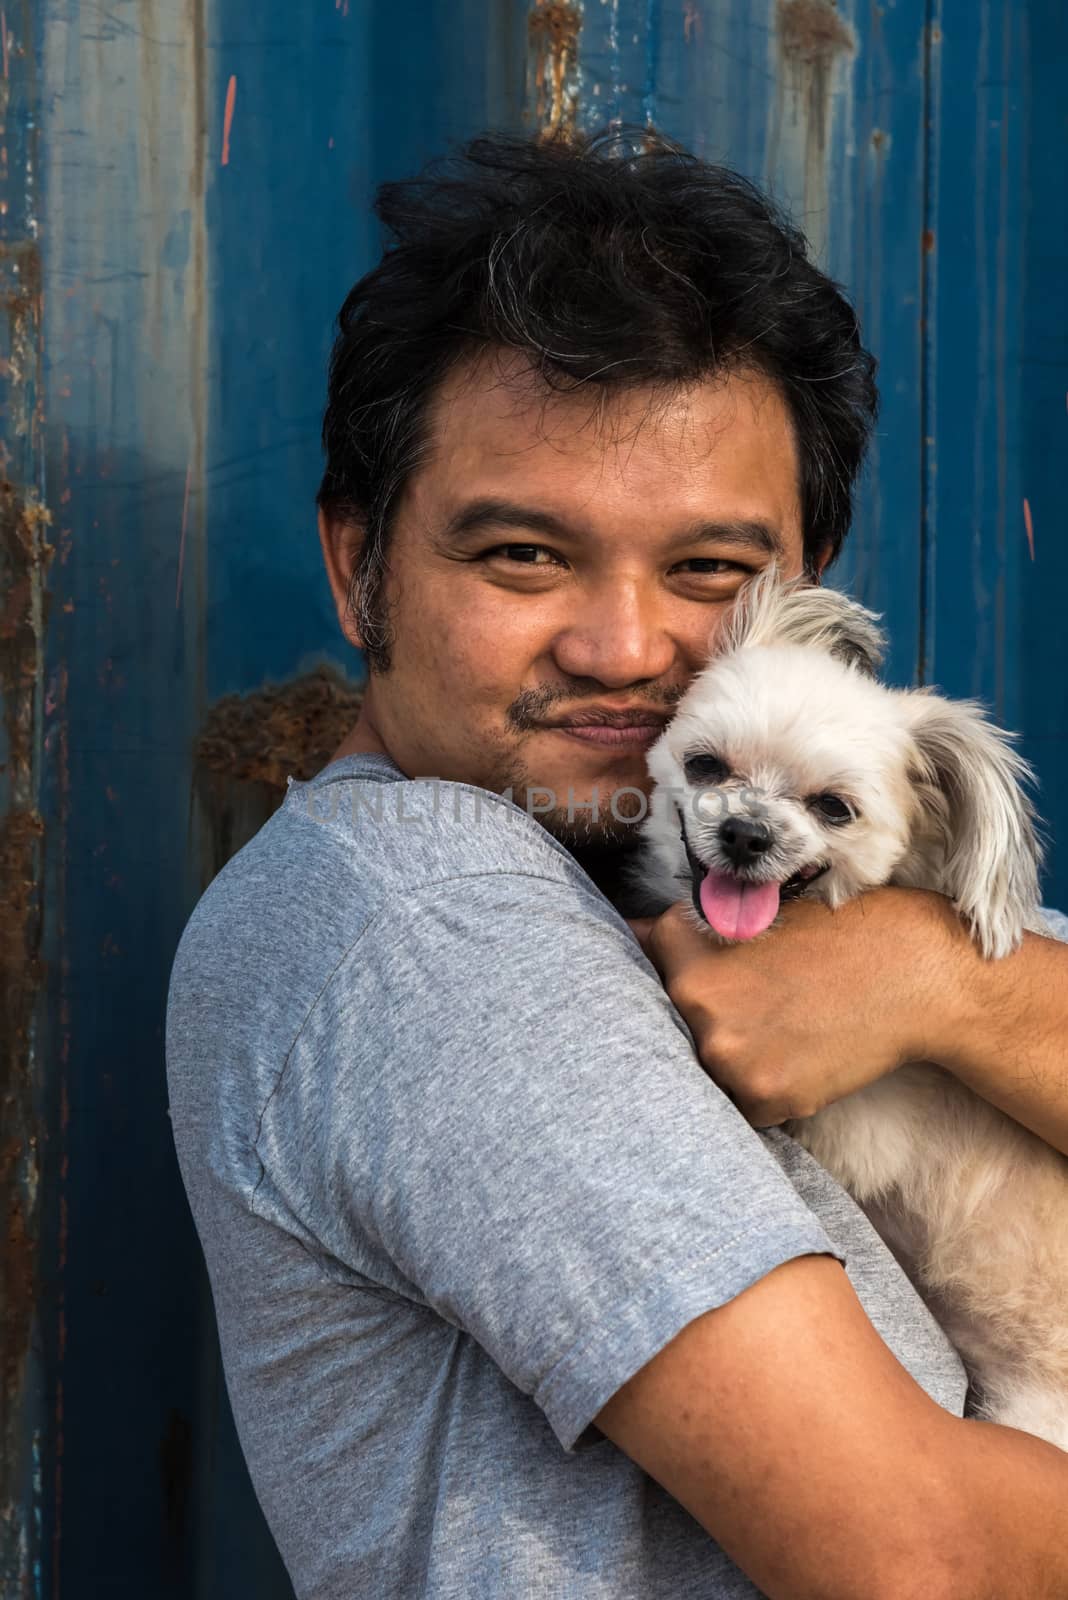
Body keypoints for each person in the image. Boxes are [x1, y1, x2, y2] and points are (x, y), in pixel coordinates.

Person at [165, 130, 1068, 1599]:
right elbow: (925, 1560)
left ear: (804, 597)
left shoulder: (757, 867)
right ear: (357, 568)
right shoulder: (426, 912)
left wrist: (939, 988)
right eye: (522, 555)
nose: (627, 650)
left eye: (710, 572)